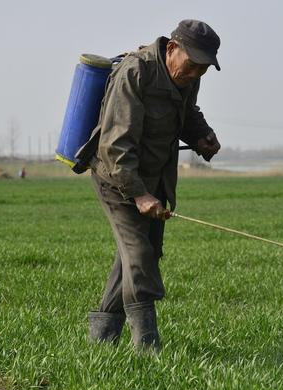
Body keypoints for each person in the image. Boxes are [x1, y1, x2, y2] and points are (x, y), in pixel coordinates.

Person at [83, 19, 221, 352]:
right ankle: (147, 349)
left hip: (154, 181)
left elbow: (187, 113)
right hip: (117, 180)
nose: (195, 74)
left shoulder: (186, 77)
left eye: (203, 69)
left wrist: (202, 135)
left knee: (138, 256)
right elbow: (115, 145)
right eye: (192, 65)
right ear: (173, 49)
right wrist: (139, 194)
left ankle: (100, 342)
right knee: (140, 255)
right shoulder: (136, 72)